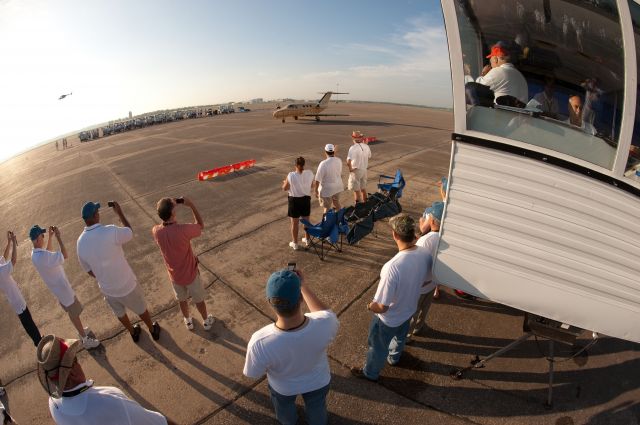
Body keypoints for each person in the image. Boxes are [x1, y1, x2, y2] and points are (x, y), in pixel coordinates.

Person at [244, 269, 339, 425]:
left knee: (285, 411)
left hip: (283, 388)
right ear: (301, 298)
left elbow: (253, 373)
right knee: (317, 408)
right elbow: (325, 312)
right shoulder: (326, 323)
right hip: (318, 381)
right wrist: (303, 285)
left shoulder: (259, 341)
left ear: (269, 301)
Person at [351, 214, 431, 382]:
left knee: (377, 347)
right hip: (408, 311)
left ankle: (370, 373)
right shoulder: (424, 252)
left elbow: (382, 307)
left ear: (395, 235)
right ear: (413, 233)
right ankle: (394, 358)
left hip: (388, 320)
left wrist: (369, 305)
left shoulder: (392, 267)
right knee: (400, 338)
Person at [36, 334, 176, 425]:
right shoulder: (109, 399)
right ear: (71, 373)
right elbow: (156, 422)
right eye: (76, 360)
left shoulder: (53, 404)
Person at [77, 201, 160, 343]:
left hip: (108, 289)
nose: (99, 213)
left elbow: (89, 270)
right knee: (141, 308)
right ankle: (153, 330)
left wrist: (105, 275)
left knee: (120, 313)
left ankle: (133, 332)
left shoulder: (80, 242)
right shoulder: (110, 231)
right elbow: (129, 232)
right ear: (95, 215)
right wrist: (120, 213)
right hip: (127, 284)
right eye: (97, 212)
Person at [30, 225, 100, 350]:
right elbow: (65, 255)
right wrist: (58, 237)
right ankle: (85, 339)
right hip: (63, 289)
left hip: (58, 289)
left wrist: (51, 237)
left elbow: (48, 253)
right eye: (42, 235)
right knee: (74, 313)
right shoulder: (44, 257)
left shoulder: (35, 255)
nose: (44, 237)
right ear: (36, 239)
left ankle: (81, 330)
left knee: (72, 311)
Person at [152, 197, 215, 331]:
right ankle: (206, 320)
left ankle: (187, 320)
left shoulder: (156, 231)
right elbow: (200, 225)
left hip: (174, 276)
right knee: (199, 300)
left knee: (182, 300)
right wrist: (191, 205)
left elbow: (163, 223)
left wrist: (168, 208)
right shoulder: (183, 230)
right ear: (173, 213)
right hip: (190, 274)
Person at [408, 201, 444, 338]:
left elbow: (416, 262)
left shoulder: (426, 240)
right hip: (433, 282)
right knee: (425, 308)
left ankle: (408, 335)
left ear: (433, 221)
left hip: (421, 285)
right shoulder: (443, 237)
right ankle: (419, 327)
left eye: (429, 217)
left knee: (413, 311)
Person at [1, 230, 42, 346]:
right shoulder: (0, 271)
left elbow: (3, 257)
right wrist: (14, 242)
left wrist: (9, 242)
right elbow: (13, 261)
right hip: (17, 302)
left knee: (29, 322)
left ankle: (38, 340)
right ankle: (39, 343)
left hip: (16, 299)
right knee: (29, 324)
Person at [282, 157, 314, 251]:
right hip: (305, 199)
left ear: (295, 165)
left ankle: (295, 243)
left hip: (294, 201)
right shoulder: (309, 173)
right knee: (306, 221)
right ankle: (307, 239)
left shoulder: (291, 175)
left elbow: (285, 188)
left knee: (294, 223)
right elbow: (312, 185)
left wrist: (284, 182)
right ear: (304, 164)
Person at [314, 144, 343, 213]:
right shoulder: (339, 160)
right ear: (333, 152)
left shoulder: (323, 164)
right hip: (337, 187)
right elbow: (333, 159)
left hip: (327, 190)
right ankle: (339, 219)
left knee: (326, 208)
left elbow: (317, 179)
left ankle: (326, 222)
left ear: (325, 152)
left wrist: (316, 190)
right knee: (336, 203)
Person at [346, 134, 372, 204]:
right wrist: (366, 145)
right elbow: (369, 156)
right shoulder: (366, 146)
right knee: (363, 188)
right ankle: (366, 203)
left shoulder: (352, 148)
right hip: (364, 170)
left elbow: (348, 161)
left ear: (353, 138)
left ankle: (358, 207)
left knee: (356, 190)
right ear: (361, 138)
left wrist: (350, 169)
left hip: (356, 170)